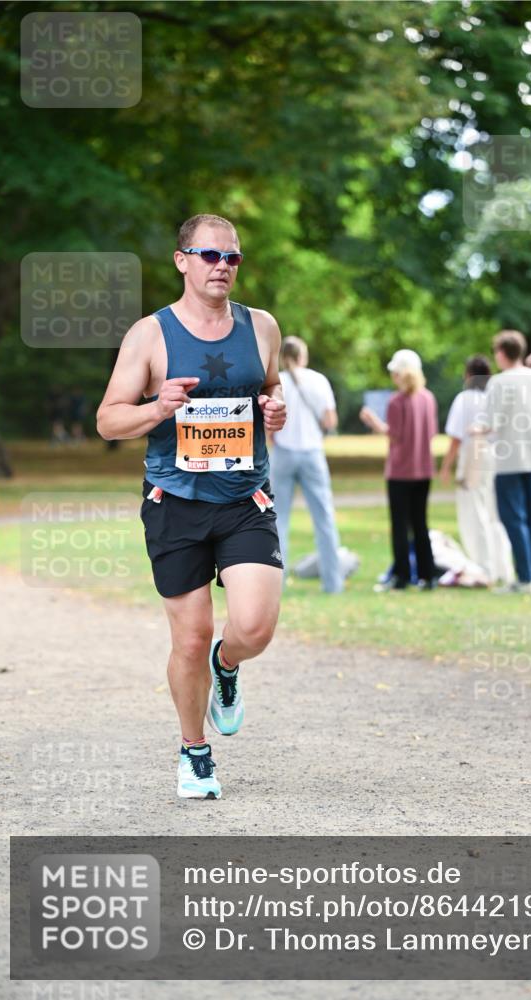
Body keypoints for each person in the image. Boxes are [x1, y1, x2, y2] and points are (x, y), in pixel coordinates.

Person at [96, 213, 287, 800]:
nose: (222, 267)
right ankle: (194, 753)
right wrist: (158, 408)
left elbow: (271, 388)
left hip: (243, 499)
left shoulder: (262, 327)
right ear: (182, 260)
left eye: (232, 258)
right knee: (189, 636)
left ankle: (226, 667)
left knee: (253, 627)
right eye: (209, 255)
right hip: (174, 501)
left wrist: (274, 412)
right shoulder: (150, 335)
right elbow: (108, 418)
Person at [482, 330, 531, 595]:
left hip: (509, 459)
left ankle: (525, 578)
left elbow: (489, 422)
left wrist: (477, 430)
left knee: (514, 518)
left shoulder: (499, 383)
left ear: (502, 353)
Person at [360, 349, 438, 591]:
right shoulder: (428, 398)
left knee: (400, 526)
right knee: (420, 524)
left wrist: (373, 422)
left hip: (400, 472)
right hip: (423, 469)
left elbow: (394, 436)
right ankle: (428, 575)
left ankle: (402, 576)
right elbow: (432, 432)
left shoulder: (396, 401)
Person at [270, 336, 343, 593]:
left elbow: (269, 423)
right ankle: (333, 583)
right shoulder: (318, 380)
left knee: (278, 519)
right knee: (324, 518)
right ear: (304, 356)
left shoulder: (276, 381)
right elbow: (330, 421)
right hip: (312, 453)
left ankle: (276, 583)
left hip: (283, 453)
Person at [440, 355, 514, 585]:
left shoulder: (464, 399)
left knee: (475, 512)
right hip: (495, 457)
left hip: (473, 454)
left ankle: (484, 567)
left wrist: (445, 466)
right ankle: (503, 567)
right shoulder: (494, 398)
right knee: (494, 514)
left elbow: (455, 437)